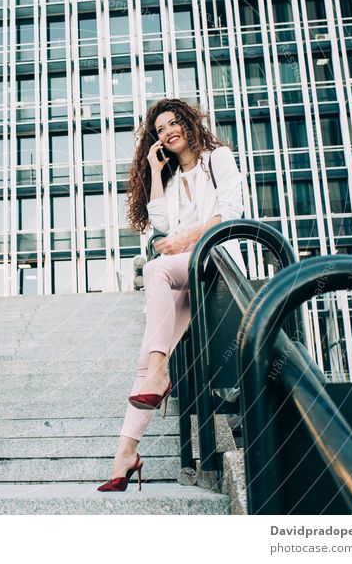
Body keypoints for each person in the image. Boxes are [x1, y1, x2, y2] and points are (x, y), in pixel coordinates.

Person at [97, 98, 245, 492]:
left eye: (173, 122)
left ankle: (160, 374)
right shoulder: (174, 177)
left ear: (189, 122)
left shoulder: (219, 159)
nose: (168, 131)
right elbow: (160, 225)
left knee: (156, 269)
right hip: (186, 272)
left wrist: (184, 238)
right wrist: (155, 171)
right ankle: (124, 456)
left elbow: (230, 213)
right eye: (160, 129)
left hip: (217, 261)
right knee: (148, 360)